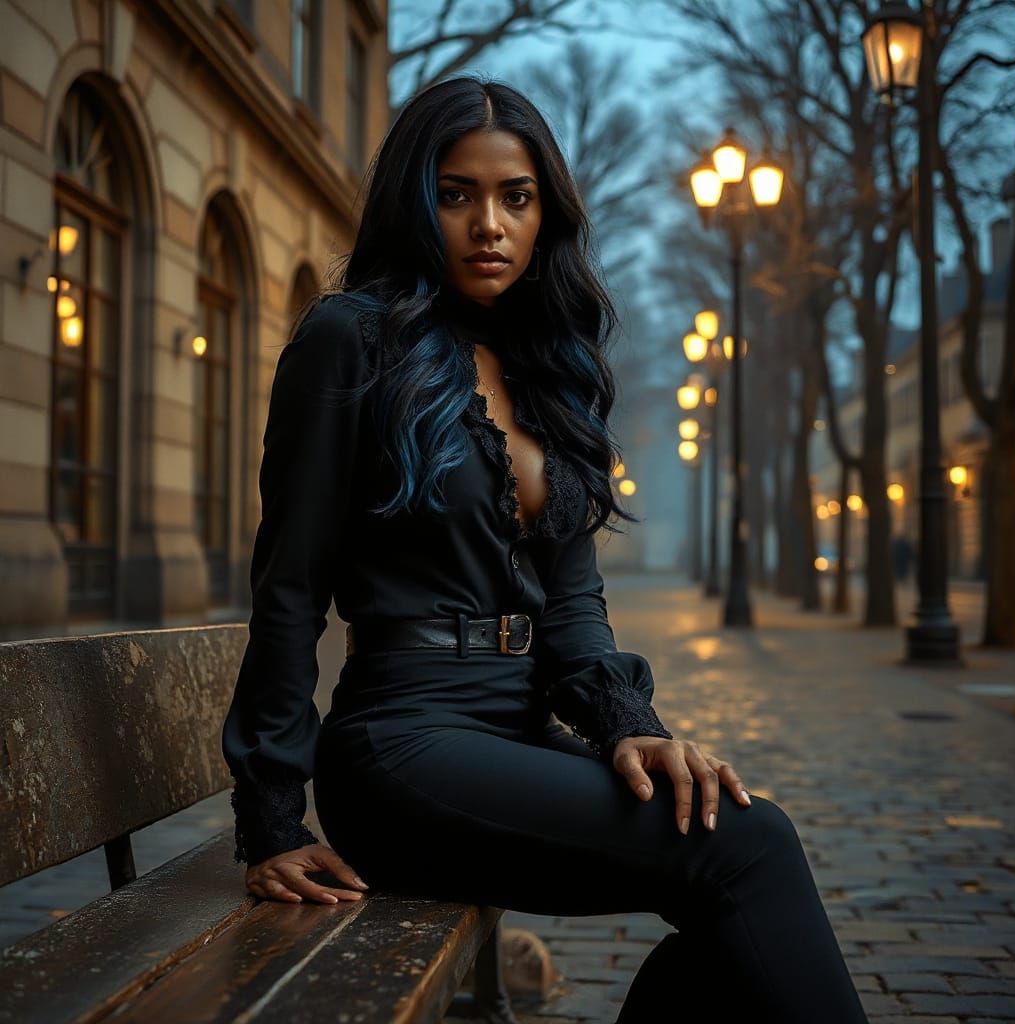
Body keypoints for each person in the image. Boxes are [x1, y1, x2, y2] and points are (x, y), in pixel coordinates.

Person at [221, 75, 869, 1024]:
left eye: (516, 197)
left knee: (736, 894)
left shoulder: (549, 368)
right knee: (752, 847)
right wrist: (271, 819)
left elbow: (572, 602)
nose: (489, 224)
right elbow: (288, 584)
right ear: (415, 201)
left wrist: (629, 727)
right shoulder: (350, 339)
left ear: (544, 214)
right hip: (403, 743)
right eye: (457, 194)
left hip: (519, 728)